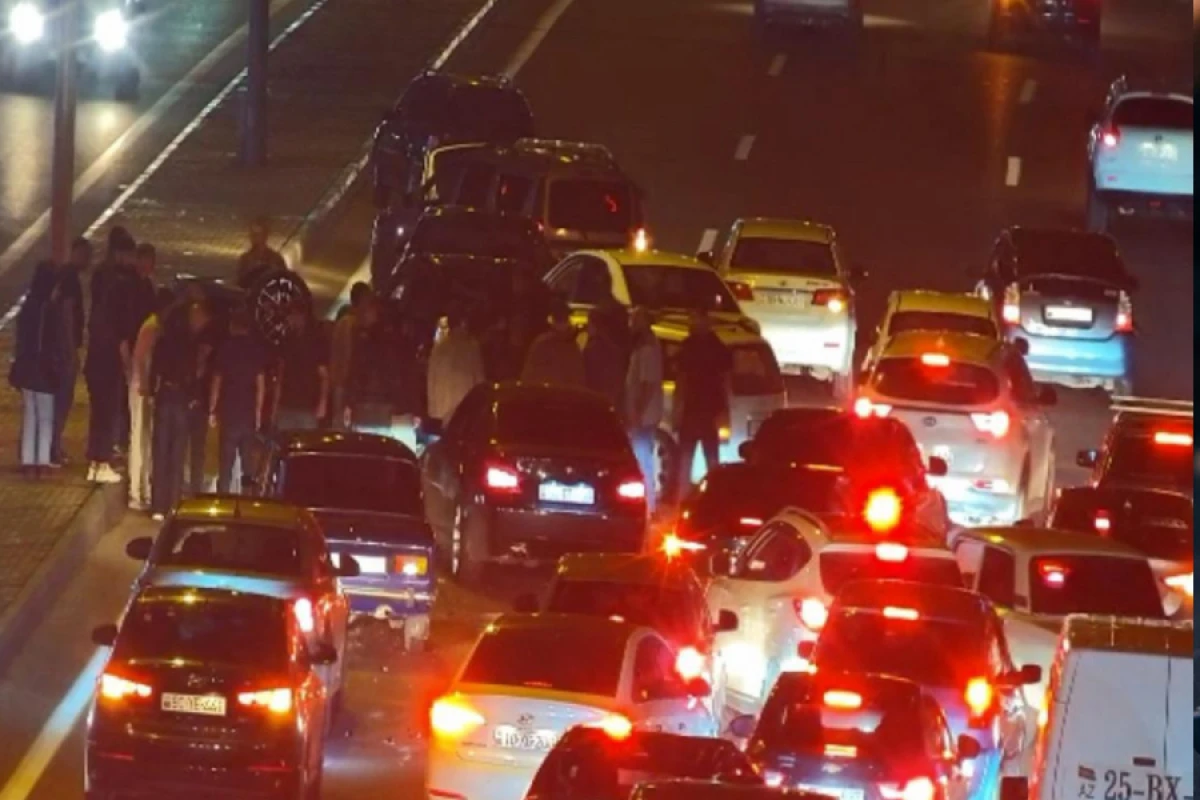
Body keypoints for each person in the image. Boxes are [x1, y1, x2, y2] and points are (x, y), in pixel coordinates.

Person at [84, 229, 136, 484]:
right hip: (110, 355)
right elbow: (122, 329)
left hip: (94, 352)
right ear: (121, 253)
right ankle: (102, 460)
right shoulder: (121, 283)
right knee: (109, 409)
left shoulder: (99, 276)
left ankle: (94, 461)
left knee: (98, 409)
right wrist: (128, 364)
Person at [10, 263, 64, 478]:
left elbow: (20, 340)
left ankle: (28, 461)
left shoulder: (27, 307)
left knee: (30, 414)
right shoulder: (50, 310)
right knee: (45, 416)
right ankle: (42, 461)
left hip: (26, 367)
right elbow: (54, 342)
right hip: (44, 368)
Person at [673, 310, 732, 503]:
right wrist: (724, 409)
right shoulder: (718, 348)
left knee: (687, 458)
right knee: (710, 458)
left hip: (695, 410)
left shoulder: (689, 347)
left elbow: (681, 381)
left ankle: (683, 499)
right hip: (709, 411)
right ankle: (715, 498)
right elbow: (725, 382)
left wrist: (677, 409)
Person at [148, 302, 201, 520]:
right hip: (181, 400)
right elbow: (194, 374)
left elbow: (155, 370)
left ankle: (157, 506)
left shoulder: (163, 342)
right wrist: (193, 397)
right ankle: (173, 503)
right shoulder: (190, 344)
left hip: (165, 397)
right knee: (178, 455)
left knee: (160, 452)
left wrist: (152, 392)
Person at [128, 288, 175, 510]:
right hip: (141, 389)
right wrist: (145, 384)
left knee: (146, 439)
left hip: (146, 388)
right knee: (139, 439)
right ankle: (135, 492)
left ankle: (144, 489)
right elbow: (138, 357)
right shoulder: (152, 326)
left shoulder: (156, 326)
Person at [209, 309, 266, 493]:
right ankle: (248, 500)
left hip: (229, 414)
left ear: (233, 326)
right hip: (248, 415)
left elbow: (217, 380)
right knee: (248, 465)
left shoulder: (226, 348)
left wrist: (212, 409)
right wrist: (258, 413)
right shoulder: (255, 350)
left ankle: (223, 499)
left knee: (225, 464)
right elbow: (260, 384)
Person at [50, 236, 91, 466]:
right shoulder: (70, 279)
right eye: (84, 255)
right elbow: (66, 313)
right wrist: (70, 349)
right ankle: (53, 447)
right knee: (62, 399)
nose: (87, 260)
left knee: (61, 400)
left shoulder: (66, 277)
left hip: (61, 348)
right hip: (64, 350)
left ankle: (54, 445)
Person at [625, 307, 664, 515]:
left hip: (643, 415)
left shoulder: (647, 349)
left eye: (635, 319)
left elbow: (647, 384)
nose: (631, 323)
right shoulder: (645, 346)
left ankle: (648, 507)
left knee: (643, 460)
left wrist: (637, 412)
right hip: (644, 414)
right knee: (645, 457)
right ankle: (649, 504)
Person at [426, 306, 485, 433]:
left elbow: (431, 380)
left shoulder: (439, 348)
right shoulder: (471, 346)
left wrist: (433, 411)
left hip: (443, 412)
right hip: (466, 411)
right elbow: (480, 381)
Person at [344, 295, 396, 437]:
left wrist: (349, 402)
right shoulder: (390, 339)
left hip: (364, 405)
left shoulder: (362, 340)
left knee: (362, 447)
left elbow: (355, 372)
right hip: (382, 406)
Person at [273, 300, 329, 431]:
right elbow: (281, 374)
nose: (289, 320)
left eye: (291, 315)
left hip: (307, 406)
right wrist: (276, 406)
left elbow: (324, 376)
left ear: (300, 316)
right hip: (288, 405)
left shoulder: (316, 340)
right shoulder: (287, 340)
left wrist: (322, 402)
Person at [185, 300, 216, 493]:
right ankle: (192, 483)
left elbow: (201, 369)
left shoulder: (204, 338)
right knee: (195, 446)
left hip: (198, 400)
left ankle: (194, 484)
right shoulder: (196, 336)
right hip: (197, 399)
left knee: (196, 446)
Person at [330, 282, 371, 429]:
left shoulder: (344, 324)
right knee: (343, 424)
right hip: (346, 383)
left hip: (345, 384)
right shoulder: (351, 325)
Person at [520, 301, 586, 388]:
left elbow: (528, 376)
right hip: (563, 396)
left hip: (549, 396)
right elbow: (579, 377)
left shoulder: (541, 343)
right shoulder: (572, 345)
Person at [583, 307, 626, 410]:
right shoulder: (615, 349)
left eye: (589, 324)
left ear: (595, 326)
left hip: (594, 401)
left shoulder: (592, 349)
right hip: (609, 403)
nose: (587, 327)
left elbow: (587, 377)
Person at [236, 216, 289, 290]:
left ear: (265, 236)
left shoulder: (276, 260)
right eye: (252, 234)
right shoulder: (245, 259)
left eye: (257, 234)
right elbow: (240, 283)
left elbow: (283, 282)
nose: (253, 237)